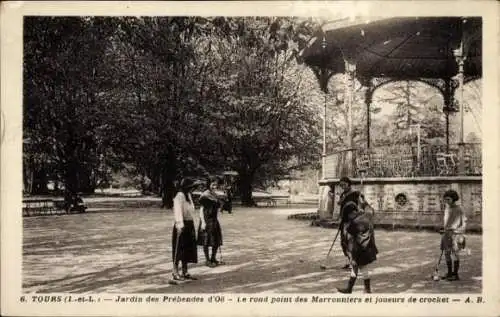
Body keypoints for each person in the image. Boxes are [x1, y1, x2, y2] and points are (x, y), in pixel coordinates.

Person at [337, 190, 378, 293]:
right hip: (367, 247)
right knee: (354, 268)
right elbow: (371, 211)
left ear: (351, 214)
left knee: (363, 269)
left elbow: (349, 240)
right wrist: (364, 203)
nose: (348, 218)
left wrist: (349, 253)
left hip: (359, 250)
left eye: (348, 216)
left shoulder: (354, 223)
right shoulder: (366, 216)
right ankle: (349, 288)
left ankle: (367, 289)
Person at [171, 178, 198, 281]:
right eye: (191, 187)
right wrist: (179, 225)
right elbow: (177, 211)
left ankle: (185, 271)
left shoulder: (188, 196)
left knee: (187, 248)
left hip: (189, 224)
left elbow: (191, 210)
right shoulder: (179, 196)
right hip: (182, 225)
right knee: (179, 249)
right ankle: (175, 272)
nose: (192, 189)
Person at [440, 189, 467, 281]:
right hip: (446, 234)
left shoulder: (460, 209)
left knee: (455, 254)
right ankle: (449, 273)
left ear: (454, 199)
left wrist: (459, 232)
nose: (446, 201)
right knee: (447, 253)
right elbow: (446, 222)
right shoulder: (447, 208)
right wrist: (443, 229)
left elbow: (464, 223)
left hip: (456, 235)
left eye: (448, 199)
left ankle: (455, 275)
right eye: (445, 199)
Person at [197, 179, 224, 267]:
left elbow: (218, 207)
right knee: (206, 241)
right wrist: (203, 222)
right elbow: (201, 210)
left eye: (215, 185)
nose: (214, 187)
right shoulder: (204, 195)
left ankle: (213, 258)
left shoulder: (215, 195)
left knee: (216, 240)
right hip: (206, 220)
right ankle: (207, 260)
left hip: (214, 220)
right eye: (212, 185)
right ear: (209, 185)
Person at [337, 177, 357, 270]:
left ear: (349, 184)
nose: (343, 187)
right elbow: (340, 205)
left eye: (344, 185)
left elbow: (358, 208)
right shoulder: (343, 194)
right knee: (343, 242)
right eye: (341, 185)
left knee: (350, 242)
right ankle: (348, 261)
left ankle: (353, 262)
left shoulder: (355, 194)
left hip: (352, 222)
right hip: (344, 221)